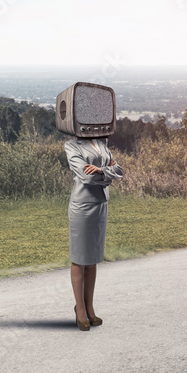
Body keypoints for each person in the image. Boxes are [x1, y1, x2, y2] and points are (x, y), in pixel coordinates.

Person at [64, 135, 125, 331]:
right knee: (79, 259)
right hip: (82, 206)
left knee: (92, 260)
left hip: (101, 205)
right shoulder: (72, 145)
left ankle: (90, 307)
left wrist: (101, 170)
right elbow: (86, 177)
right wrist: (107, 173)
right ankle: (80, 309)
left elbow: (120, 171)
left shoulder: (102, 143)